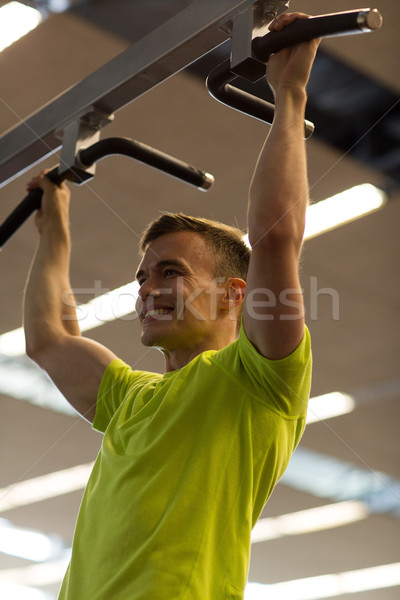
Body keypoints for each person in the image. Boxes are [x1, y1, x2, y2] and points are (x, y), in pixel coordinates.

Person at [23, 12, 318, 600]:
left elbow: (276, 235)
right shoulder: (130, 399)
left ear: (237, 294)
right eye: (142, 276)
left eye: (171, 273)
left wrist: (290, 92)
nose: (147, 290)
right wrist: (54, 225)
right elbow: (49, 338)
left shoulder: (258, 382)